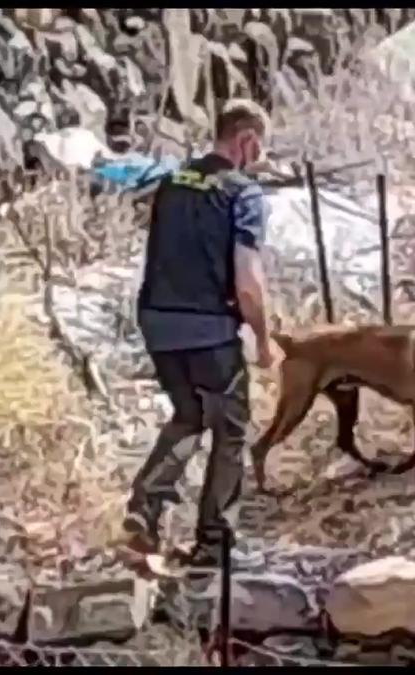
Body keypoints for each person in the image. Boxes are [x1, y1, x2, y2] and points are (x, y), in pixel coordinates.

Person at [122, 98, 279, 567]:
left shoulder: (172, 181)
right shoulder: (243, 194)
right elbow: (247, 280)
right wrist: (266, 341)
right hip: (209, 329)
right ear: (247, 140)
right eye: (260, 148)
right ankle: (216, 543)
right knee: (231, 429)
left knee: (189, 415)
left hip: (157, 320)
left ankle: (145, 510)